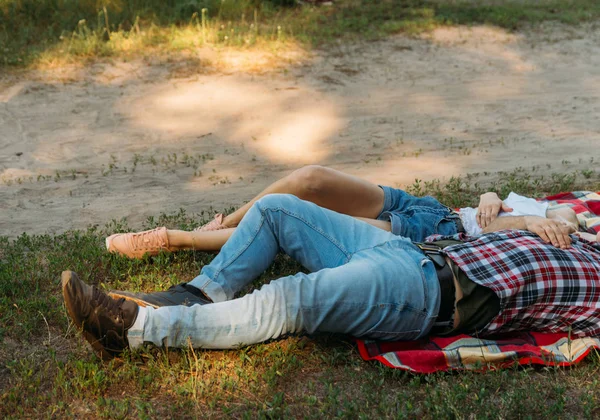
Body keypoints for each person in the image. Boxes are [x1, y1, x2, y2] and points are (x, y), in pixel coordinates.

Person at [62, 193, 600, 361]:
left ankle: (137, 331)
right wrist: (554, 218)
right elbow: (552, 211)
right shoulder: (582, 231)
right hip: (409, 249)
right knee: (277, 209)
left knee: (291, 299)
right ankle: (198, 292)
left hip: (426, 294)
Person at [104, 165, 579, 258]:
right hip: (429, 208)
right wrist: (492, 198)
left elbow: (566, 225)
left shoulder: (570, 227)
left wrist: (524, 220)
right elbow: (490, 204)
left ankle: (172, 237)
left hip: (429, 238)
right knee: (309, 181)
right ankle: (224, 224)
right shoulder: (549, 208)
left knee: (291, 214)